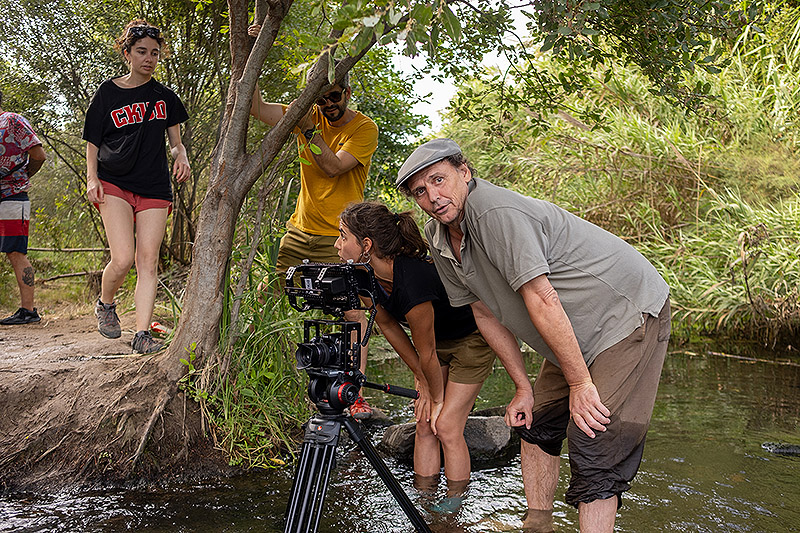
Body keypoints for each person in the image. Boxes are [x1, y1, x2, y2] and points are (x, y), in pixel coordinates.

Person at [397, 138, 671, 533]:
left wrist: (579, 382)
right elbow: (483, 311)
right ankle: (538, 525)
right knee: (534, 422)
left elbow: (542, 296)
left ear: (464, 171)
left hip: (626, 314)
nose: (434, 196)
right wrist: (523, 385)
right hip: (571, 328)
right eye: (421, 191)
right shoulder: (439, 238)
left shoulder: (494, 212)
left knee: (593, 437)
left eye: (439, 180)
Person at [249, 24, 379, 417]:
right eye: (320, 98)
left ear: (348, 93)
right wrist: (254, 49)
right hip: (298, 232)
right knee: (265, 299)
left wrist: (307, 127)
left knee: (352, 312)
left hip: (338, 237)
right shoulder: (306, 116)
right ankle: (265, 380)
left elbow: (334, 166)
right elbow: (254, 108)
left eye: (334, 96)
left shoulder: (363, 128)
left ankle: (353, 394)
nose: (328, 104)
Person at [336, 201, 496, 489]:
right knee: (424, 423)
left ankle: (452, 512)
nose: (337, 244)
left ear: (366, 245)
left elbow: (428, 352)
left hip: (472, 339)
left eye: (343, 236)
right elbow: (387, 325)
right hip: (437, 342)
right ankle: (425, 502)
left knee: (446, 426)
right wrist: (422, 379)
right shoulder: (363, 275)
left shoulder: (412, 280)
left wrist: (435, 398)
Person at [83, 20, 190, 354]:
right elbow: (92, 142)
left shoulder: (164, 97)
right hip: (113, 181)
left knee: (148, 261)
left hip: (154, 186)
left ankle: (142, 334)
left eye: (155, 53)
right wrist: (91, 178)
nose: (149, 58)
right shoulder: (108, 93)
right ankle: (106, 303)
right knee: (123, 259)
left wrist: (182, 156)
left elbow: (175, 142)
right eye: (142, 51)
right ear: (127, 53)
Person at [0, 90, 47, 325]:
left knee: (15, 251)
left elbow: (38, 154)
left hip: (13, 196)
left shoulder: (12, 120)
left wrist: (23, 176)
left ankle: (28, 311)